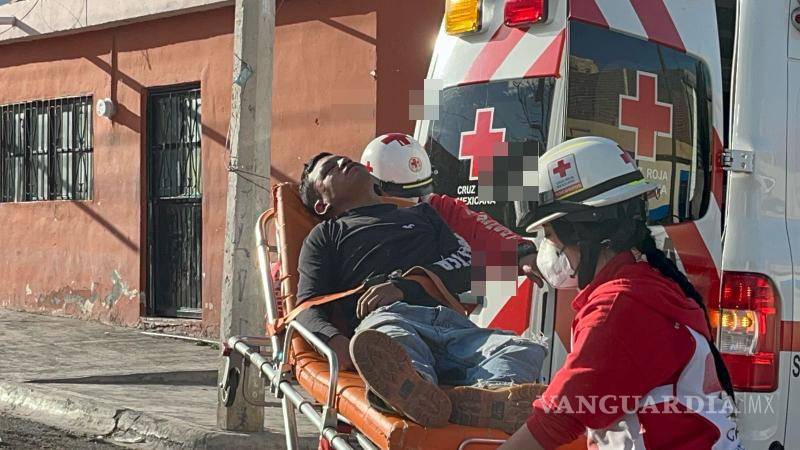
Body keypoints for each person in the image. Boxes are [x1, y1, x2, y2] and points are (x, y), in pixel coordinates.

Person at [497, 137, 741, 449]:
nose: (548, 249)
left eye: (550, 235)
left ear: (584, 232)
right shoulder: (645, 288)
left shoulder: (618, 309)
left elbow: (557, 421)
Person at [295, 152, 548, 431]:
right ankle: (416, 390)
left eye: (344, 159)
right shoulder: (327, 235)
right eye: (331, 169)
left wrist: (520, 255)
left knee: (520, 348)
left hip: (449, 323)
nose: (344, 162)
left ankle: (488, 397)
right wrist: (334, 342)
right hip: (388, 319)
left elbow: (466, 265)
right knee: (391, 343)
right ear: (322, 205)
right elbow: (307, 306)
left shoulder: (424, 214)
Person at [360, 133, 542, 288]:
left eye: (417, 194)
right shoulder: (348, 222)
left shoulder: (435, 206)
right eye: (401, 196)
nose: (413, 203)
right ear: (373, 187)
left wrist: (521, 252)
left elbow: (477, 227)